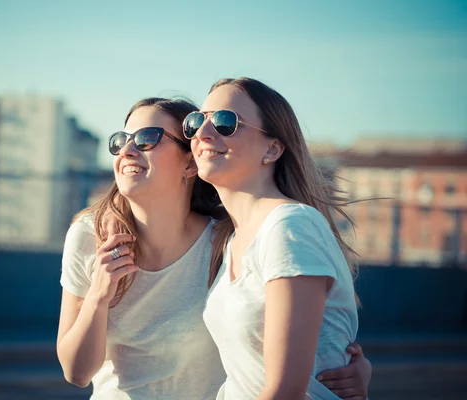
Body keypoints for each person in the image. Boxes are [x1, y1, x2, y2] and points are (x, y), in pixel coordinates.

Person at [57, 97, 371, 399]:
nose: (126, 149)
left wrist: (346, 368)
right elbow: (76, 372)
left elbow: (279, 326)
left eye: (146, 139)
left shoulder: (226, 239)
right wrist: (98, 295)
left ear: (190, 164)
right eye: (120, 140)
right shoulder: (91, 235)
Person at [184, 77, 363, 399]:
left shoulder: (289, 226)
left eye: (225, 122)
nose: (203, 133)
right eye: (197, 120)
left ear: (273, 148)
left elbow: (286, 389)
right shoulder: (230, 240)